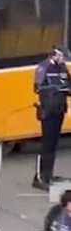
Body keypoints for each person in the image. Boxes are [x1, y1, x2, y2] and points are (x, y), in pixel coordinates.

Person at [34, 47, 71, 190]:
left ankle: (48, 174)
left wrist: (64, 88)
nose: (64, 60)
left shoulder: (62, 67)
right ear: (54, 55)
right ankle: (41, 176)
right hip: (48, 111)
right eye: (62, 56)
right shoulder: (43, 67)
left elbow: (68, 84)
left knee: (54, 144)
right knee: (47, 144)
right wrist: (55, 88)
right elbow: (37, 87)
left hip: (59, 109)